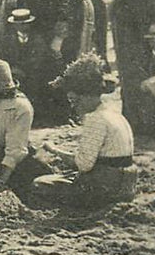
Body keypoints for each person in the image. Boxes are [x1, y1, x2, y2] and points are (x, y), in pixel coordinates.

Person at [34, 54, 137, 207]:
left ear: (87, 96)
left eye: (75, 101)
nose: (74, 107)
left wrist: (54, 150)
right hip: (127, 185)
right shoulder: (115, 115)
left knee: (39, 184)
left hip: (106, 188)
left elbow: (83, 165)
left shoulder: (95, 119)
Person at [0, 55, 51, 199]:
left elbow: (16, 149)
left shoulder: (20, 107)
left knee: (29, 192)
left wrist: (0, 182)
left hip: (24, 161)